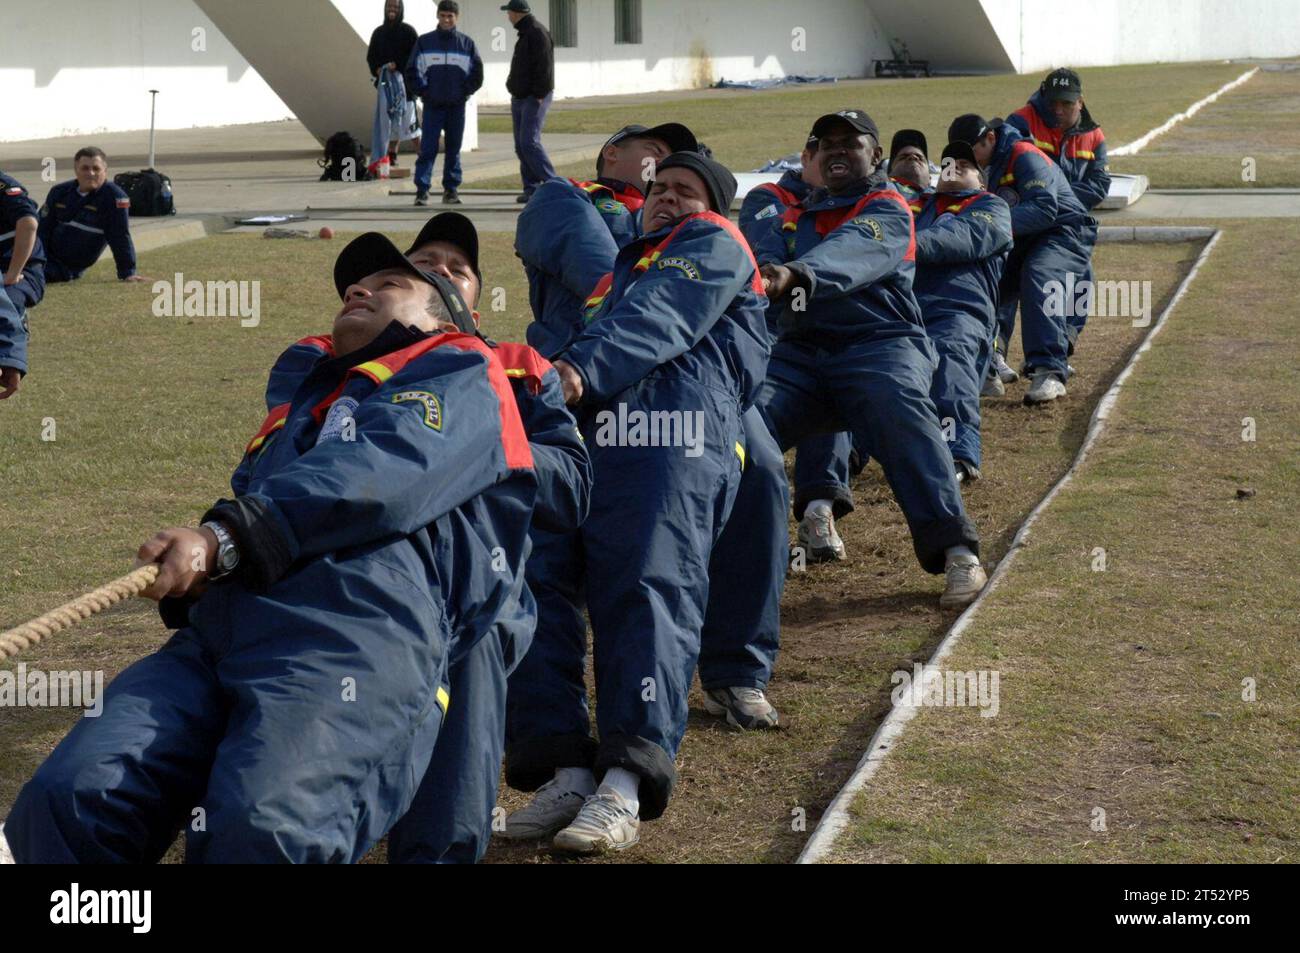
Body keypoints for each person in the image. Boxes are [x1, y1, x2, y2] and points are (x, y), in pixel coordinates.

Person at [2, 234, 540, 863]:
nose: (359, 289)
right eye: (352, 287)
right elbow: (263, 507)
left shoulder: (463, 369)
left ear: (442, 318)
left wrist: (226, 538)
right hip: (218, 637)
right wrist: (207, 567)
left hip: (354, 637)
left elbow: (382, 475)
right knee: (70, 797)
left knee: (262, 830)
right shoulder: (305, 406)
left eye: (390, 284)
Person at [504, 152, 770, 853]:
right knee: (534, 575)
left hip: (673, 431)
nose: (668, 200)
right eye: (659, 191)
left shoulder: (717, 243)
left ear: (713, 205)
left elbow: (658, 321)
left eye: (687, 191)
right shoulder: (617, 274)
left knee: (649, 582)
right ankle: (564, 766)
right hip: (586, 437)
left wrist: (575, 371)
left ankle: (625, 782)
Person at [385, 213, 592, 863]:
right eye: (426, 260)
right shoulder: (349, 361)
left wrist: (487, 445)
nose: (442, 269)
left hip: (478, 577)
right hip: (367, 576)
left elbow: (570, 488)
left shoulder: (516, 368)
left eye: (459, 267)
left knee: (475, 644)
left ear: (476, 297)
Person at [749, 109, 986, 610]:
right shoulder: (777, 205)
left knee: (900, 408)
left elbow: (853, 252)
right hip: (797, 351)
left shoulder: (889, 205)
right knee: (740, 424)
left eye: (851, 143)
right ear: (808, 154)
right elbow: (760, 254)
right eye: (825, 143)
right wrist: (775, 272)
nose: (838, 151)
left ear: (875, 155)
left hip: (882, 342)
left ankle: (957, 549)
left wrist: (794, 274)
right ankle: (719, 556)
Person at [948, 113, 1097, 405]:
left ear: (990, 138)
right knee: (985, 281)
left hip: (1064, 231)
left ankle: (1049, 370)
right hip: (1021, 235)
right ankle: (989, 362)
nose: (967, 161)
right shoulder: (978, 165)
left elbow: (1044, 208)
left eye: (971, 152)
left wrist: (992, 224)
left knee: (1039, 274)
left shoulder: (1024, 155)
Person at [914, 141, 1013, 482]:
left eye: (965, 166)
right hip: (902, 310)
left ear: (982, 181)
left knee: (950, 363)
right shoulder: (915, 205)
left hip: (959, 310)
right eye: (947, 166)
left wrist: (903, 245)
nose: (953, 169)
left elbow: (964, 238)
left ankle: (957, 452)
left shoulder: (991, 206)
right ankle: (852, 454)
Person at [1002, 67, 1109, 381]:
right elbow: (1014, 171)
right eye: (1052, 103)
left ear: (1080, 102)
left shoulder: (1094, 135)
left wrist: (1057, 197)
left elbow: (1099, 184)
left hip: (1066, 224)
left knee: (1081, 274)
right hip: (1028, 218)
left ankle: (1061, 346)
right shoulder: (1020, 122)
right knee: (1012, 278)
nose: (1058, 110)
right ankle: (997, 353)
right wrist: (1048, 196)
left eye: (1065, 103)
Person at [407, 1, 484, 206]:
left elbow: (477, 74)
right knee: (428, 148)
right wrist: (425, 92)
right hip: (433, 107)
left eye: (450, 16)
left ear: (456, 18)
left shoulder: (466, 44)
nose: (446, 20)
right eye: (443, 16)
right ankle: (422, 190)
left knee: (453, 148)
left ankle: (451, 189)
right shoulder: (425, 42)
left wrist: (464, 92)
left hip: (456, 107)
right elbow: (412, 71)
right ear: (437, 17)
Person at [38, 148, 146, 284]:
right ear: (76, 169)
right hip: (42, 257)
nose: (91, 173)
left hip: (67, 267)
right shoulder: (59, 192)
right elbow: (42, 230)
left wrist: (128, 273)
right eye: (85, 168)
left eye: (96, 168)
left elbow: (119, 236)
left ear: (105, 171)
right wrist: (36, 259)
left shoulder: (115, 198)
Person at [502, 1, 556, 203]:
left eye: (509, 12)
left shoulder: (536, 32)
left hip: (534, 97)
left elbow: (545, 66)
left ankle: (554, 184)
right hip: (520, 96)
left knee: (529, 143)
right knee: (521, 145)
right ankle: (532, 188)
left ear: (516, 13)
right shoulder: (525, 33)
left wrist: (539, 93)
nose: (507, 16)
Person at [1, 170, 45, 400]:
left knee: (6, 299)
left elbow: (28, 223)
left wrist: (12, 273)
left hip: (21, 273)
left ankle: (10, 358)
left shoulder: (4, 186)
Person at [367, 0, 420, 179]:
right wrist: (377, 69)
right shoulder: (378, 33)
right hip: (385, 87)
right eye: (389, 6)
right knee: (389, 123)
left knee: (410, 125)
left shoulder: (408, 32)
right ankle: (391, 156)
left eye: (396, 7)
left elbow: (415, 56)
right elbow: (371, 56)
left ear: (400, 10)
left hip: (406, 87)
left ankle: (424, 158)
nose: (392, 10)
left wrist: (397, 65)